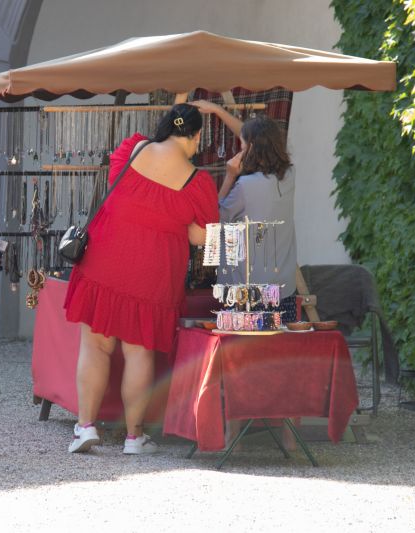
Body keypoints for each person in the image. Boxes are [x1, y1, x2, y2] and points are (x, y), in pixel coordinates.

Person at [63, 103, 220, 454]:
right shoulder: (197, 181)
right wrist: (174, 221)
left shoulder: (133, 148)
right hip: (154, 272)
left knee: (95, 346)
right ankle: (134, 438)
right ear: (196, 136)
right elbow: (201, 236)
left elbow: (117, 190)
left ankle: (85, 427)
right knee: (139, 353)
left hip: (105, 260)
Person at [191, 100, 298, 449]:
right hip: (283, 288)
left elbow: (213, 218)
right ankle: (289, 436)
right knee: (281, 361)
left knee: (238, 362)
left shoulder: (244, 188)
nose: (239, 148)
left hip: (245, 291)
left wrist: (229, 176)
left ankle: (233, 432)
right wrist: (219, 112)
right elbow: (254, 134)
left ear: (251, 149)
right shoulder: (288, 177)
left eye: (243, 145)